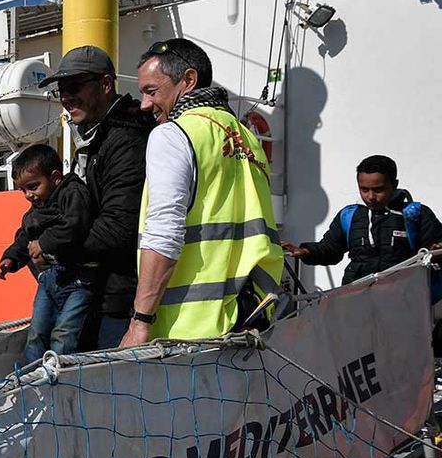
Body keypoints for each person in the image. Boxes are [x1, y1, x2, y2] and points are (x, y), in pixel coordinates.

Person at [120, 39, 284, 346]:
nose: (143, 104)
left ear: (188, 80)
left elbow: (164, 232)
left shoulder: (173, 134)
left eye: (151, 91)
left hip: (186, 332)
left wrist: (140, 321)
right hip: (250, 320)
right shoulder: (248, 138)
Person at [36, 45, 154, 349]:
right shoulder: (96, 136)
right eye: (61, 90)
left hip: (118, 297)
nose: (65, 97)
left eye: (74, 87)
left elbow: (118, 226)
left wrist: (56, 250)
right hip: (95, 289)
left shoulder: (126, 139)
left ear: (105, 84)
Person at [0, 144, 96, 364]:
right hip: (50, 280)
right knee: (37, 333)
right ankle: (31, 377)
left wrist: (44, 243)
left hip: (78, 279)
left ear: (56, 177)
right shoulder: (38, 208)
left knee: (65, 333)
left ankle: (60, 376)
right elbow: (24, 237)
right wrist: (10, 258)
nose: (28, 195)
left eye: (33, 186)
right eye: (23, 190)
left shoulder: (73, 194)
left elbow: (75, 225)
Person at [283, 155, 442, 285]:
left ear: (394, 185)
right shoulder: (349, 215)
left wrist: (437, 249)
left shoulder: (415, 214)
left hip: (403, 298)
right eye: (364, 190)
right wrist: (306, 251)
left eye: (378, 190)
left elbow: (435, 248)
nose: (371, 197)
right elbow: (331, 249)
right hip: (356, 298)